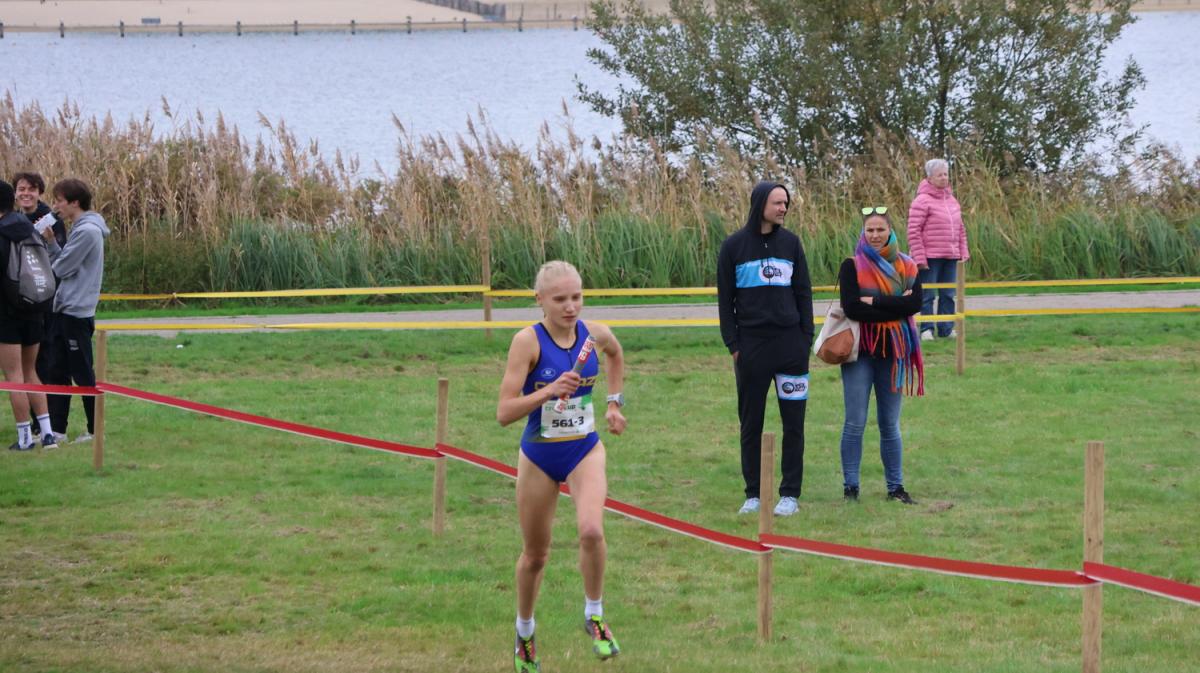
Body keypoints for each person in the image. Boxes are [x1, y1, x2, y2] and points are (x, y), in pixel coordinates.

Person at [496, 260, 627, 673]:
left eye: (576, 297)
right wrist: (549, 390)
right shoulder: (527, 342)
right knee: (536, 556)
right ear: (540, 300)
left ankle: (594, 615)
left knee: (591, 530)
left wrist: (613, 403)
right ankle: (525, 632)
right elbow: (503, 412)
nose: (570, 307)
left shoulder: (594, 333)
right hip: (539, 455)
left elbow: (615, 354)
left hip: (584, 450)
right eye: (560, 300)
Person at [716, 181, 814, 517]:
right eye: (777, 203)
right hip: (752, 349)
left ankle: (790, 494)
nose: (784, 208)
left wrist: (804, 339)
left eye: (786, 202)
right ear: (760, 204)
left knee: (794, 423)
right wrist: (734, 346)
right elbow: (725, 302)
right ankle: (754, 494)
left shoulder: (791, 243)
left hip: (790, 347)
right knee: (751, 423)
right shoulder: (733, 246)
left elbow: (803, 293)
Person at [838, 207, 925, 504]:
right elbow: (852, 308)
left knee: (890, 424)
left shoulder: (908, 266)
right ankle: (851, 488)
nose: (875, 235)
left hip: (894, 353)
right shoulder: (851, 265)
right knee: (855, 422)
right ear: (863, 233)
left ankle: (896, 488)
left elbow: (914, 305)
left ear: (891, 231)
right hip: (859, 354)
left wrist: (873, 301)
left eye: (880, 230)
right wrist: (894, 306)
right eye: (870, 230)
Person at [39, 178, 109, 444]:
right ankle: (58, 429)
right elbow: (64, 263)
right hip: (64, 309)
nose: (56, 206)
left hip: (76, 313)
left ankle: (95, 430)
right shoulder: (79, 228)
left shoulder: (87, 231)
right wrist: (51, 242)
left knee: (82, 373)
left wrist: (47, 251)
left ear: (75, 202)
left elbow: (60, 268)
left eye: (59, 201)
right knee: (57, 370)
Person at [0, 181, 58, 451]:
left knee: (13, 375)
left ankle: (25, 438)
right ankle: (47, 434)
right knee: (30, 371)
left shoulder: (2, 233)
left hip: (7, 313)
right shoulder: (28, 228)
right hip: (35, 308)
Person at [906, 158, 969, 341]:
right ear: (930, 178)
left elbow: (961, 228)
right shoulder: (921, 201)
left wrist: (963, 251)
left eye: (945, 174)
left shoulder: (952, 200)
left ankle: (946, 328)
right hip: (930, 257)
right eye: (939, 175)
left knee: (948, 294)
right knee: (928, 294)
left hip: (951, 255)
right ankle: (926, 328)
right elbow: (913, 230)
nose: (944, 178)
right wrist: (919, 258)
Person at [12, 172, 67, 247]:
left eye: (32, 189)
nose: (26, 193)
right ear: (15, 193)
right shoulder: (12, 219)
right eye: (21, 189)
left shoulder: (52, 220)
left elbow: (61, 251)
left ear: (40, 193)